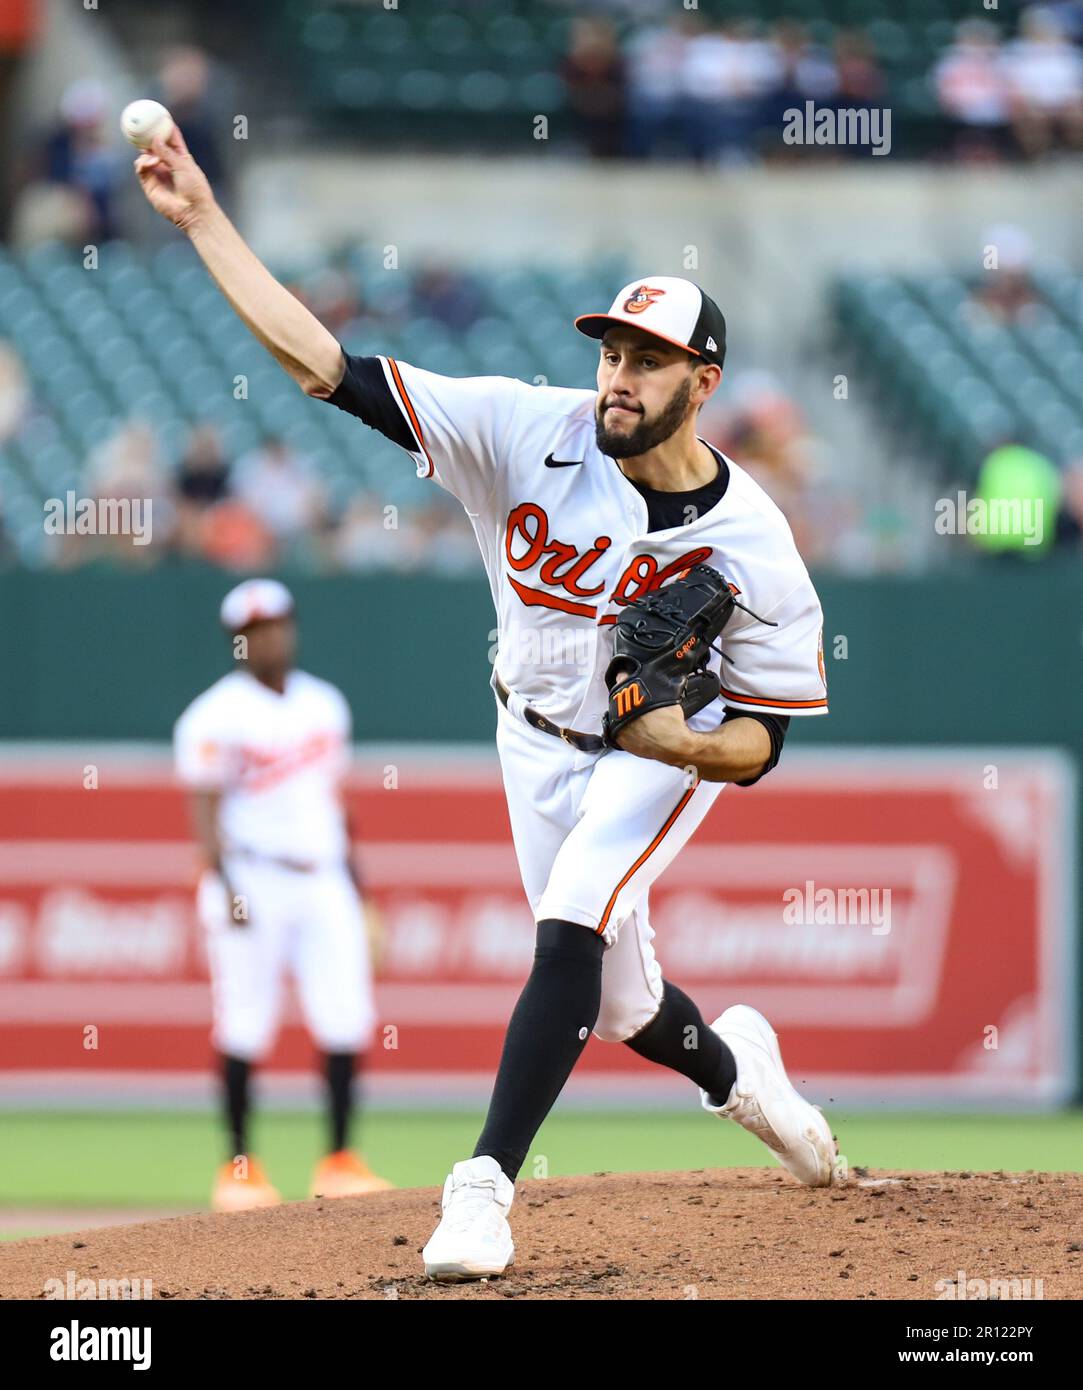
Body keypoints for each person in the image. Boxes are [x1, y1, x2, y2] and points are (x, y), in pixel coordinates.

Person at [136, 124, 837, 1279]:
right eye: (612, 350)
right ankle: (739, 1073)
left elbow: (765, 736)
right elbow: (327, 367)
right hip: (528, 732)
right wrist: (204, 218)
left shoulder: (755, 540)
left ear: (702, 384)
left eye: (648, 360)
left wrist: (679, 741)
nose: (619, 375)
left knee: (565, 926)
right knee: (616, 1002)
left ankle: (481, 1191)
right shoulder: (524, 429)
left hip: (656, 753)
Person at [173, 578, 390, 1211]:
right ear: (238, 641)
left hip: (322, 875)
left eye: (279, 624)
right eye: (258, 630)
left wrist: (362, 894)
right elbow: (206, 816)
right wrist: (226, 888)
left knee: (345, 1015)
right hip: (251, 874)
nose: (272, 637)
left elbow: (333, 803)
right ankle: (239, 1167)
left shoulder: (323, 704)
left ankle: (341, 1160)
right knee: (243, 1020)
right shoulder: (214, 716)